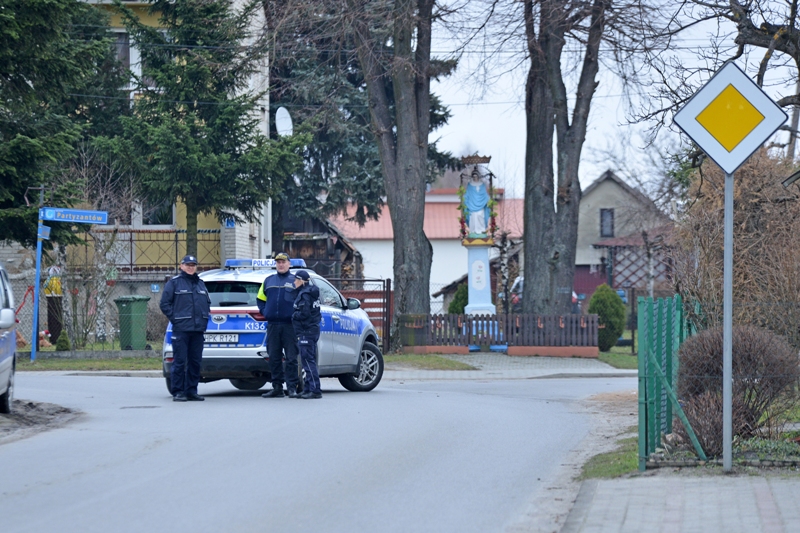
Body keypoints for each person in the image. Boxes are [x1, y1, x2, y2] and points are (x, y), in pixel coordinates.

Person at [160, 255, 210, 402]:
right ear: (181, 266)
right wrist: (175, 319)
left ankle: (191, 391)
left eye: (193, 265)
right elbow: (164, 304)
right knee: (180, 361)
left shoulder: (200, 284)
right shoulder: (174, 283)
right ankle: (178, 391)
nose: (190, 267)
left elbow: (206, 303)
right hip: (181, 330)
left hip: (197, 330)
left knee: (195, 362)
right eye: (188, 265)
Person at [257, 252, 300, 398]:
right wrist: (265, 312)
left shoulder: (295, 280)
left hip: (290, 326)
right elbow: (260, 299)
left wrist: (296, 315)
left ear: (289, 264)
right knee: (274, 357)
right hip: (273, 325)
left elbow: (303, 299)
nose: (281, 265)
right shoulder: (268, 280)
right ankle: (277, 388)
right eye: (278, 262)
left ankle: (292, 388)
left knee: (291, 358)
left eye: (283, 262)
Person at [291, 270, 322, 399]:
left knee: (308, 360)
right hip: (312, 329)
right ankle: (308, 388)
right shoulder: (312, 292)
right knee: (308, 360)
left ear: (301, 281)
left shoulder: (305, 294)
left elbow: (304, 313)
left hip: (306, 330)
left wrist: (294, 315)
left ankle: (315, 390)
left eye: (295, 280)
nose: (294, 282)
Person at [463, 167, 490, 236]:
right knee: (473, 217)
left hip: (481, 204)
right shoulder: (470, 185)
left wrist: (488, 200)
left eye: (476, 176)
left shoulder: (482, 184)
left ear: (478, 176)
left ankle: (481, 231)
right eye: (474, 177)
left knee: (480, 215)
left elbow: (484, 194)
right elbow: (468, 194)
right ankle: (473, 231)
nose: (475, 178)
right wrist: (464, 199)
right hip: (471, 205)